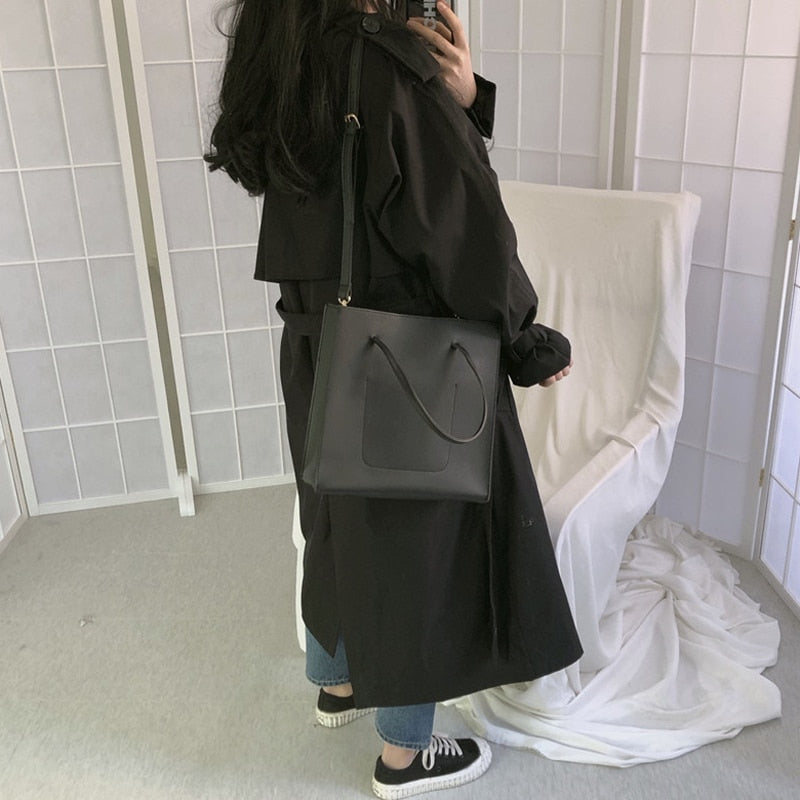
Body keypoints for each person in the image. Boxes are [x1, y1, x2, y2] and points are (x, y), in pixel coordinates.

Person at [205, 1, 582, 797]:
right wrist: (524, 339)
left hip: (317, 340)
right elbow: (463, 225)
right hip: (401, 351)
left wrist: (461, 95)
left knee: (334, 514)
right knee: (416, 548)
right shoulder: (389, 65)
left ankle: (336, 680)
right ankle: (404, 756)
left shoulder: (284, 47)